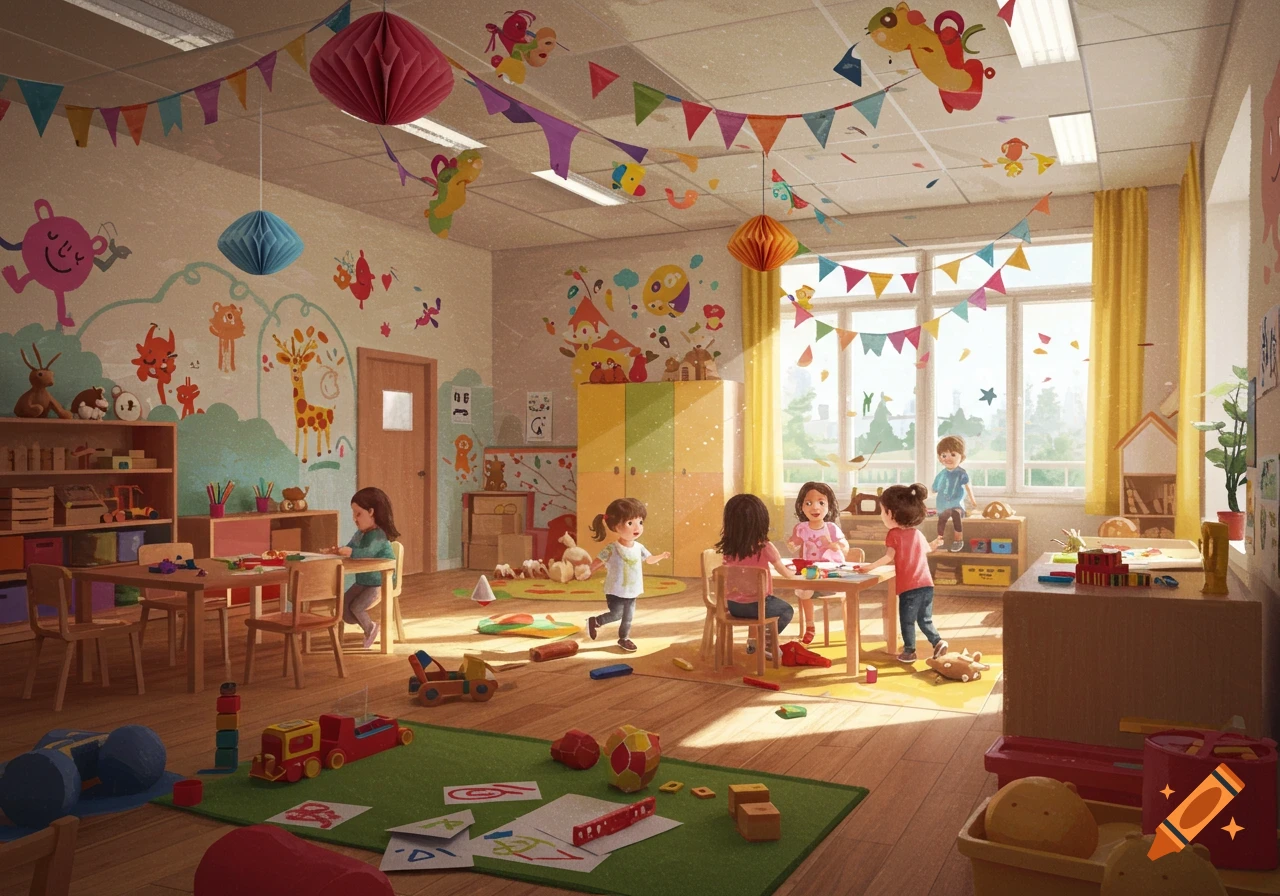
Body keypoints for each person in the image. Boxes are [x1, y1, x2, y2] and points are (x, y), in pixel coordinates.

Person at [866, 483, 947, 663]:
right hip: (927, 585)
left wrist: (869, 567)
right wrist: (935, 543)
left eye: (882, 511)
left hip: (909, 587)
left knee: (907, 620)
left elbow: (889, 557)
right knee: (925, 619)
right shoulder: (916, 533)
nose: (881, 515)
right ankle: (938, 641)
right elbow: (927, 549)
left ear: (891, 513)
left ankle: (909, 651)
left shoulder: (893, 534)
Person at [586, 497, 670, 653]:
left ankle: (624, 638)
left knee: (628, 617)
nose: (637, 527)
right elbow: (598, 561)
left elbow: (649, 559)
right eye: (630, 523)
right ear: (615, 526)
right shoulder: (612, 548)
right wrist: (588, 571)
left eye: (640, 522)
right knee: (617, 614)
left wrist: (661, 556)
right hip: (615, 589)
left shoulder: (639, 547)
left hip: (633, 589)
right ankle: (596, 621)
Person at [716, 493, 795, 658]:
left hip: (734, 606)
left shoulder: (729, 549)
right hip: (757, 606)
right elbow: (783, 571)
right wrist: (793, 573)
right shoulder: (764, 546)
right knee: (786, 610)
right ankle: (767, 642)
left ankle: (752, 643)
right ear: (761, 521)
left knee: (756, 602)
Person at [325, 486, 398, 649]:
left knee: (357, 607)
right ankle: (370, 626)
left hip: (380, 582)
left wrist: (350, 552)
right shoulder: (360, 534)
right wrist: (338, 550)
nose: (354, 518)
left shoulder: (379, 535)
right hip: (364, 581)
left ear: (371, 512)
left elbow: (367, 553)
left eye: (358, 514)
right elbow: (351, 547)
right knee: (343, 608)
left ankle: (370, 628)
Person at [786, 481, 849, 644]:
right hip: (810, 574)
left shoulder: (831, 528)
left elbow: (845, 548)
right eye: (808, 503)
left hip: (829, 575)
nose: (815, 508)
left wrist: (832, 544)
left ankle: (848, 629)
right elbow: (794, 545)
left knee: (806, 588)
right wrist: (792, 544)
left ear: (829, 506)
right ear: (801, 506)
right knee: (803, 589)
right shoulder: (801, 528)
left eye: (821, 503)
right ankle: (810, 626)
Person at [931, 435, 977, 552]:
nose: (948, 458)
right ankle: (939, 540)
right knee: (942, 519)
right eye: (944, 455)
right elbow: (934, 489)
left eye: (953, 454)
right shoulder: (941, 474)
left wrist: (973, 501)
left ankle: (958, 540)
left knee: (956, 515)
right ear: (939, 458)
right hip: (943, 505)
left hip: (957, 505)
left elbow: (968, 487)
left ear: (962, 457)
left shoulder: (961, 473)